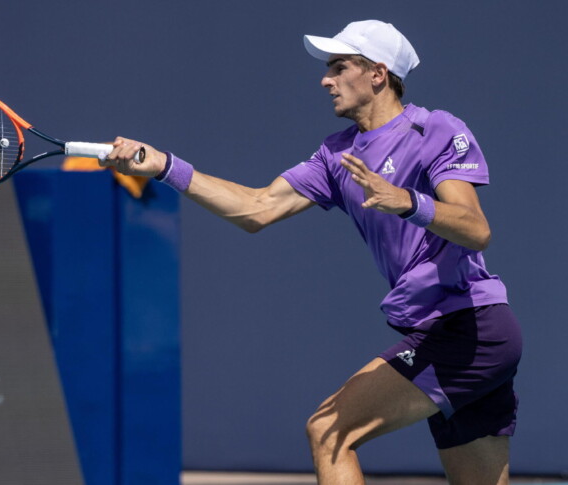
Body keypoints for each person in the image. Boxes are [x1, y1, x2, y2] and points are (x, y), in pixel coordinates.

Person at [100, 19, 523, 485]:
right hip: (442, 330)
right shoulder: (336, 155)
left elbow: (475, 229)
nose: (326, 80)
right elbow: (256, 208)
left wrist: (406, 201)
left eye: (339, 67)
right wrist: (165, 166)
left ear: (378, 74)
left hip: (471, 328)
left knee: (328, 431)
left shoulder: (435, 130)